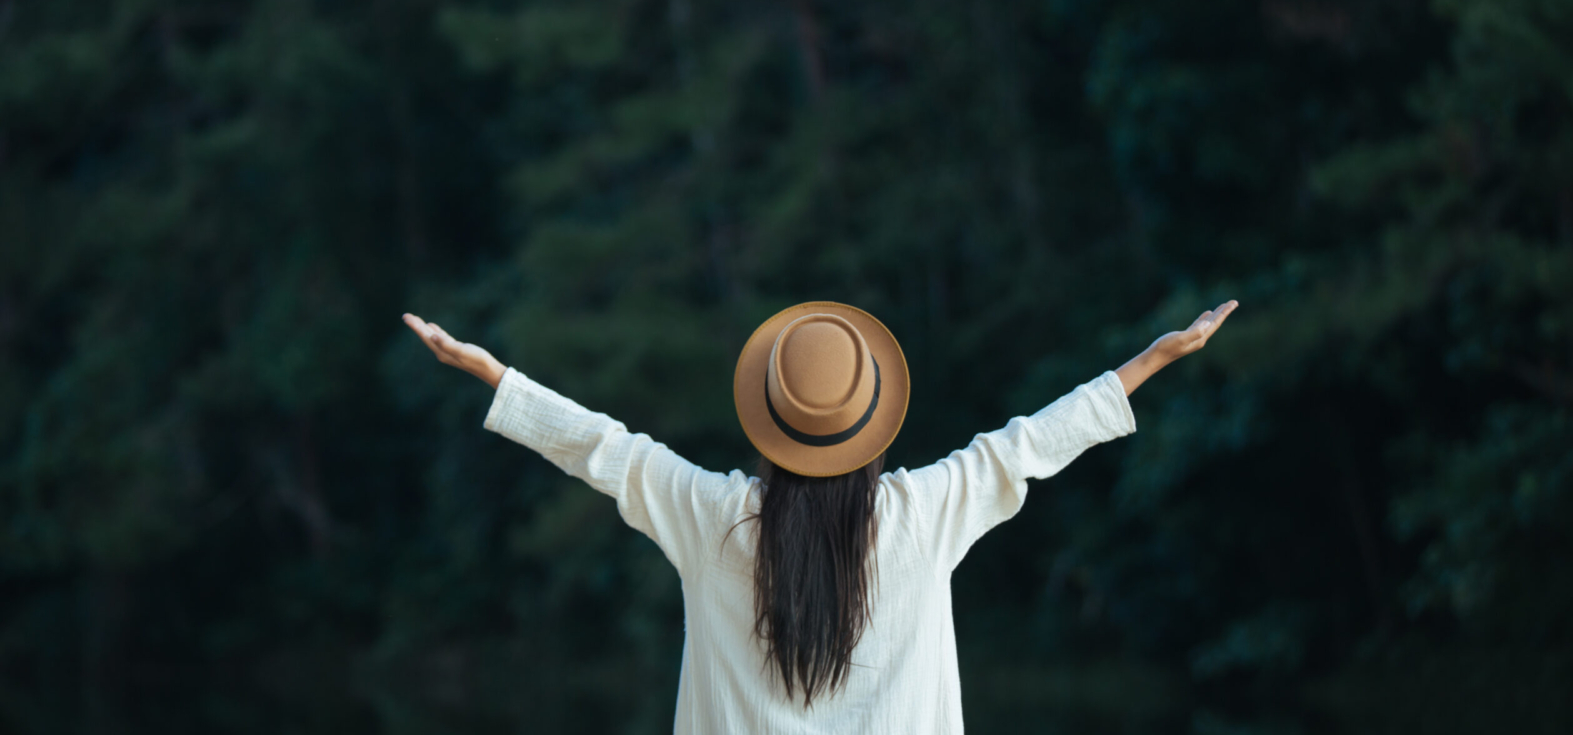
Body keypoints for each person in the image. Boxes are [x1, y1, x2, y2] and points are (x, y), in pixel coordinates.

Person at [402, 298, 1237, 734]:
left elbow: (601, 448)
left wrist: (494, 375)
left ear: (771, 426)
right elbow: (1028, 444)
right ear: (872, 428)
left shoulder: (712, 517)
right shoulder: (925, 512)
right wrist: (1152, 361)